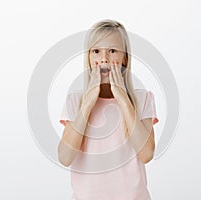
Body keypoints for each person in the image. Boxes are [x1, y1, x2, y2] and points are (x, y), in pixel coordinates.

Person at [57, 19, 159, 200]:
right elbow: (65, 157)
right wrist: (88, 102)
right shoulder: (75, 101)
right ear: (89, 58)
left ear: (125, 59)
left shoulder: (143, 99)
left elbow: (146, 154)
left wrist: (122, 98)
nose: (103, 58)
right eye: (96, 51)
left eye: (112, 51)